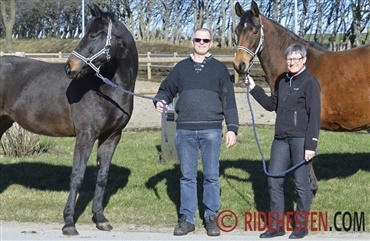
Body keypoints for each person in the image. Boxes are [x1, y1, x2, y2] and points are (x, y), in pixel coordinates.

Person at [154, 28, 239, 237]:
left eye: (206, 40)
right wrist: (160, 99)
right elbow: (166, 89)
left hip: (211, 129)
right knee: (187, 177)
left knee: (211, 176)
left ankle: (211, 217)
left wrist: (232, 128)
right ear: (192, 41)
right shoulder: (181, 68)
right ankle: (187, 219)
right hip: (185, 131)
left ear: (211, 43)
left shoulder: (219, 69)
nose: (201, 43)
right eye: (198, 39)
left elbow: (229, 101)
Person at [245, 44, 321, 239]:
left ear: (303, 60)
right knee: (273, 180)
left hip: (300, 140)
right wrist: (254, 89)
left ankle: (301, 227)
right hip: (280, 139)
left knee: (300, 184)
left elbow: (314, 116)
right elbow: (272, 105)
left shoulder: (310, 82)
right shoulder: (282, 81)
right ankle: (277, 226)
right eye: (289, 59)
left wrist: (311, 145)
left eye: (296, 59)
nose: (292, 63)